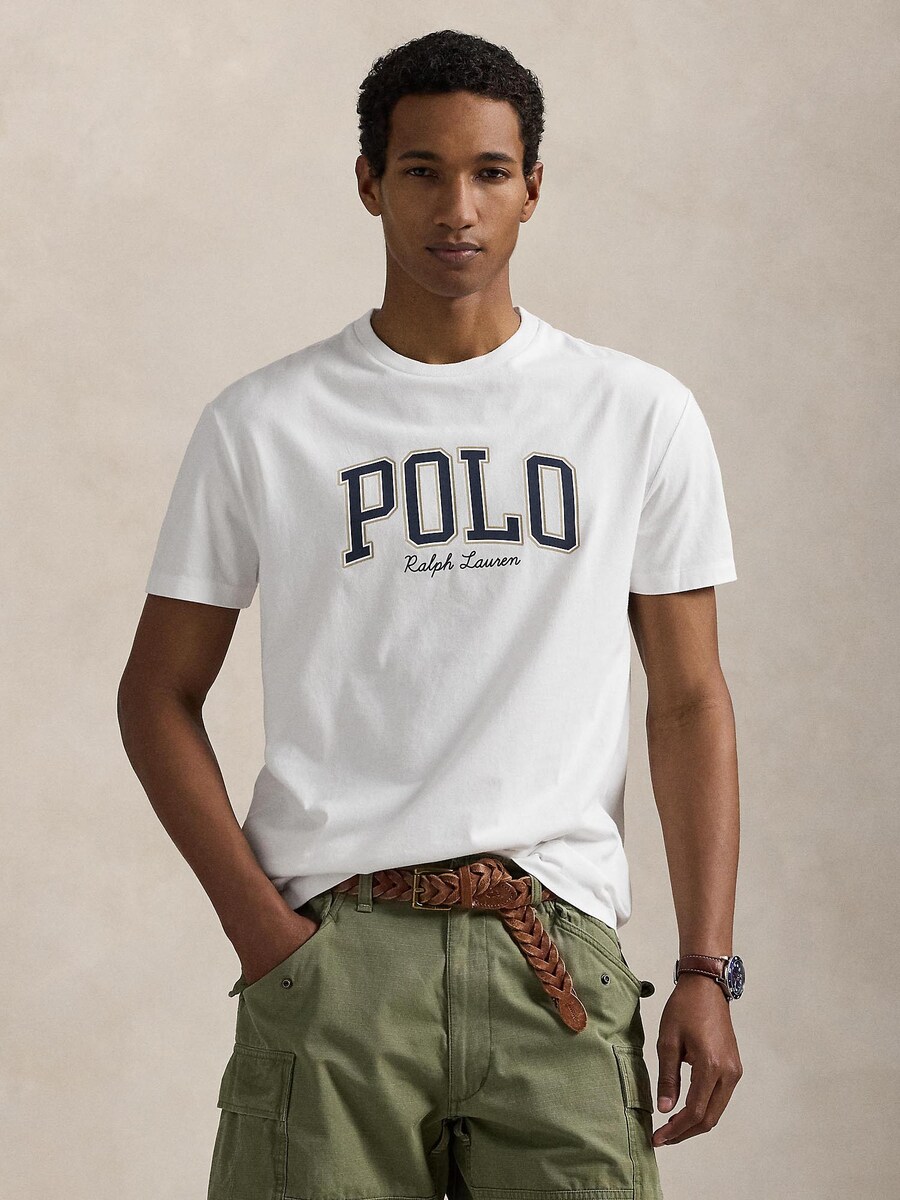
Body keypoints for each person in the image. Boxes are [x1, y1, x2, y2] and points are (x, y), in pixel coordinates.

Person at [118, 28, 743, 1200]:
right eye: (422, 171)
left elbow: (691, 698)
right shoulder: (265, 423)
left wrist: (707, 967)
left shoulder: (635, 415)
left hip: (555, 957)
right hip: (335, 955)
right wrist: (265, 937)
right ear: (369, 183)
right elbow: (156, 694)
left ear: (533, 187)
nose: (458, 208)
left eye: (489, 172)